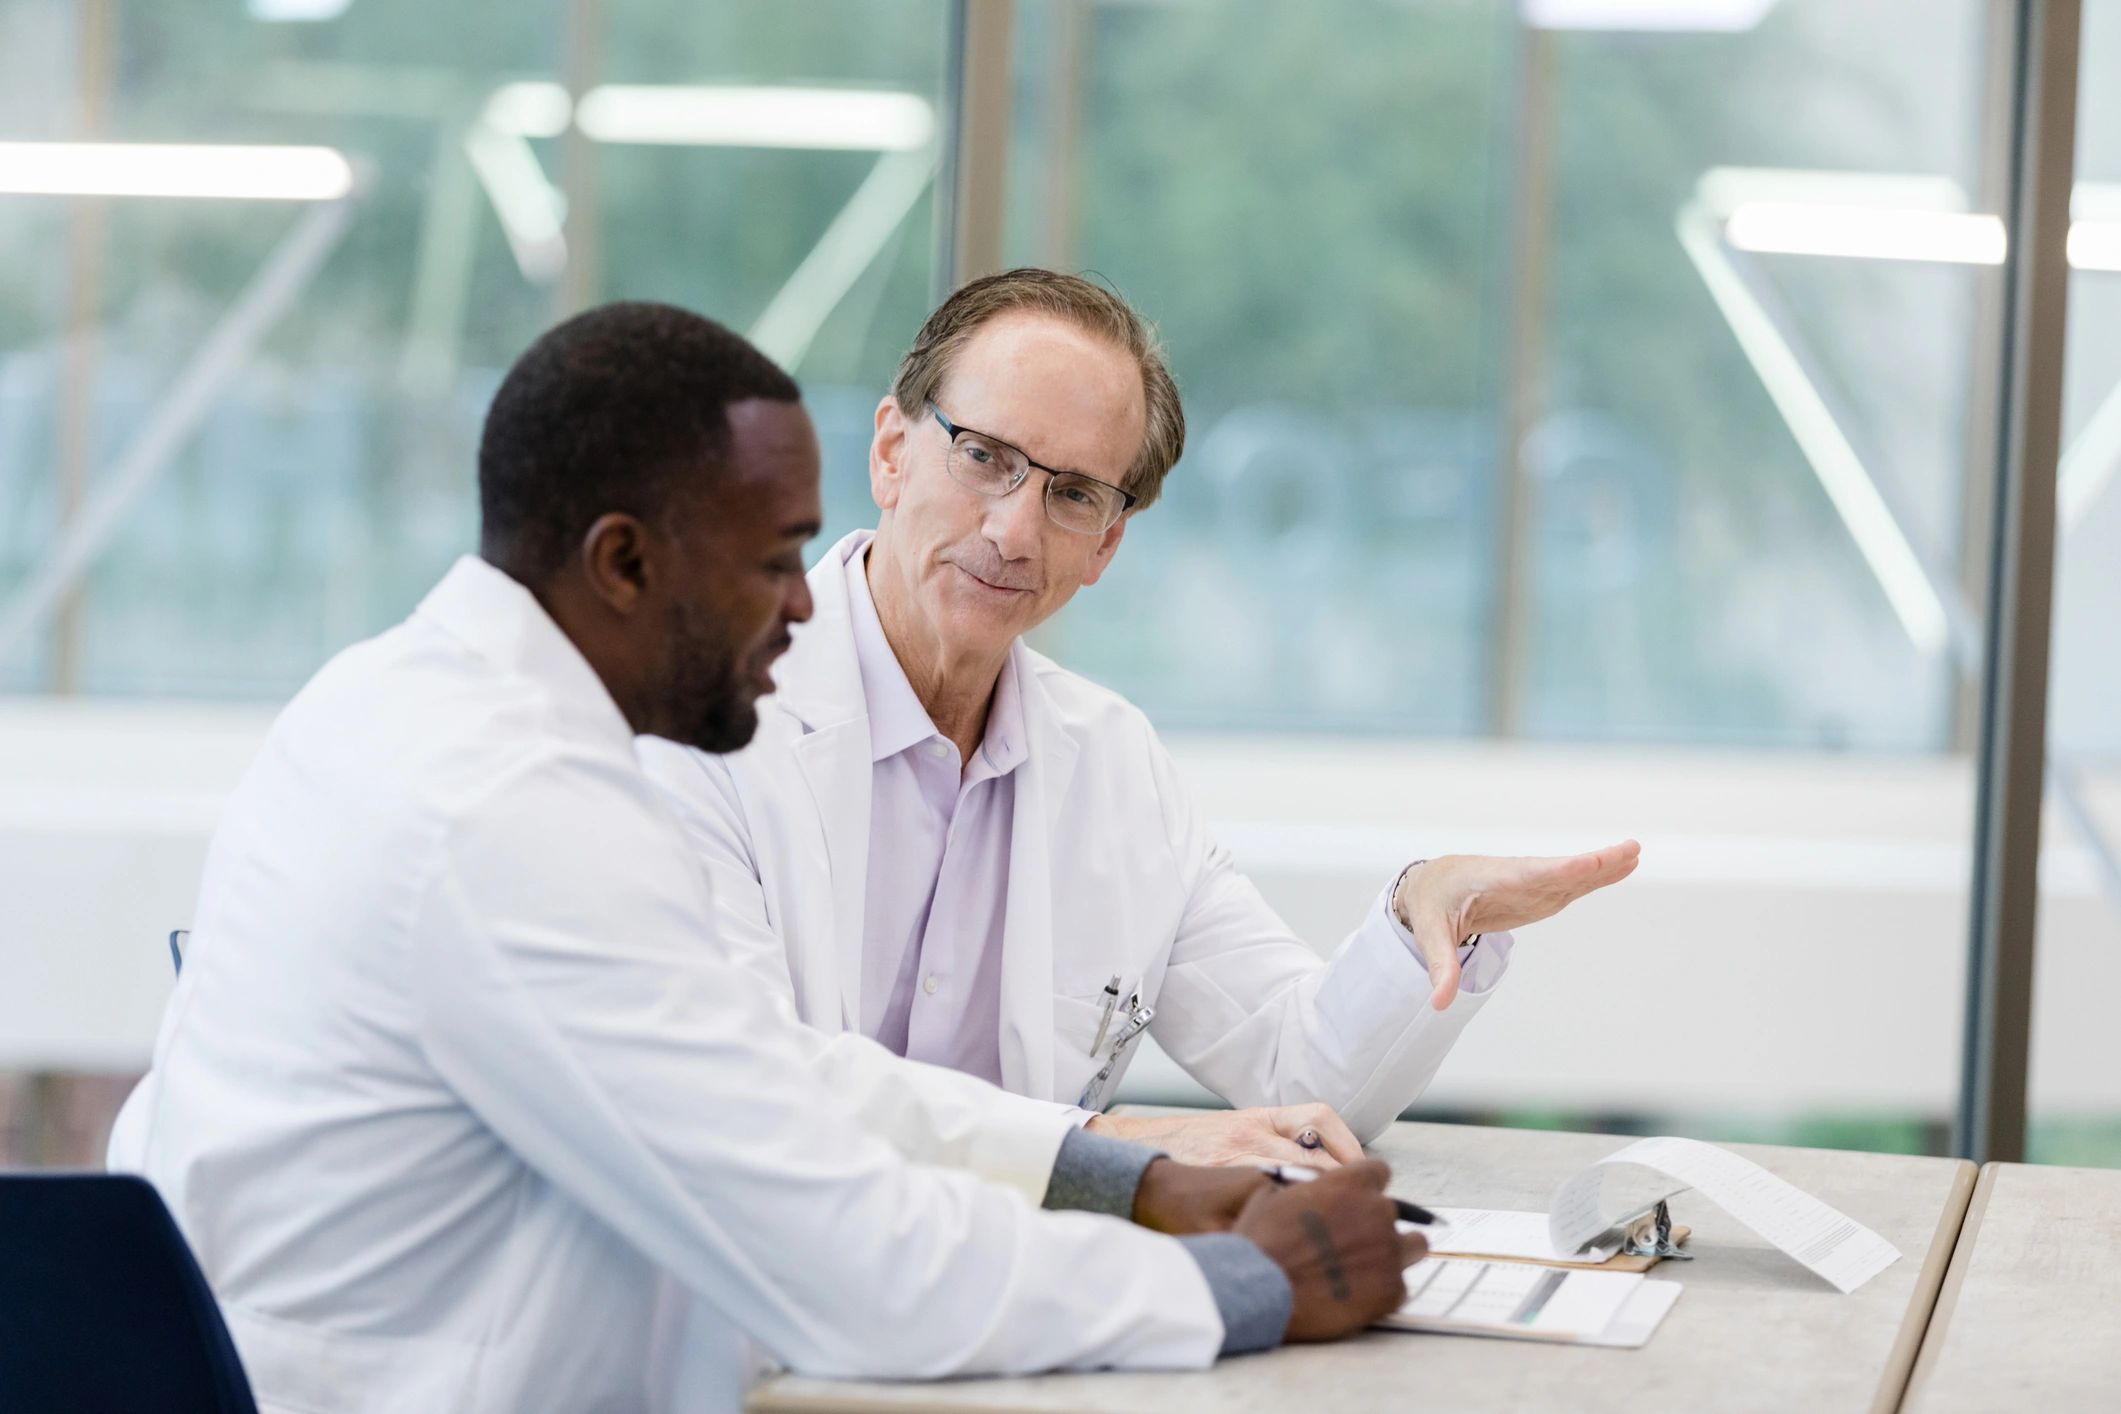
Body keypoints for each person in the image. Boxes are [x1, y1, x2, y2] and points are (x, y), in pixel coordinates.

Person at [105, 303, 1425, 1414]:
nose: (807, 603)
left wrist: (1130, 1175)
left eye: (1071, 491)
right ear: (622, 561)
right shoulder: (507, 814)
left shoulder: (395, 697)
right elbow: (841, 1259)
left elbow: (764, 1067)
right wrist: (1252, 1282)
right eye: (773, 561)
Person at [640, 269, 1640, 1168]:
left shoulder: (1113, 765)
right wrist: (1111, 1151)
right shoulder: (696, 719)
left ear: (1107, 545)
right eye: (984, 457)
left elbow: (1306, 1076)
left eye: (1071, 494)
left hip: (1012, 1330)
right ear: (893, 453)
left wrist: (1430, 905)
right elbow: (745, 1089)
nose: (1013, 529)